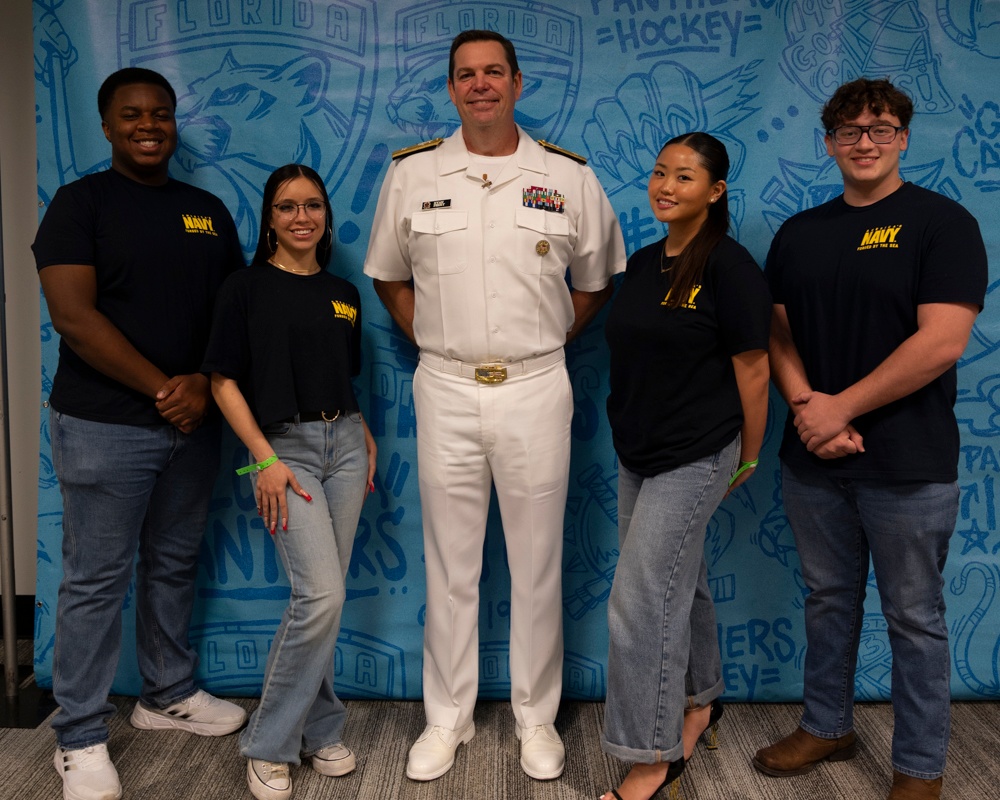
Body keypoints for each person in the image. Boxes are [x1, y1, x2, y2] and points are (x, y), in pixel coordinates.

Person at [363, 29, 625, 782]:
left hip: (538, 385)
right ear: (451, 89)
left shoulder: (567, 177)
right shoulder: (413, 175)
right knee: (450, 564)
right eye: (465, 75)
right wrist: (435, 342)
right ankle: (447, 719)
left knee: (538, 562)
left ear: (517, 81)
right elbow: (388, 274)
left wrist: (545, 341)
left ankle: (536, 720)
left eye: (493, 73)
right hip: (443, 385)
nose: (480, 85)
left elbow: (598, 280)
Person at [752, 78, 988, 800]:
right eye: (849, 130)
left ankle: (920, 768)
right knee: (828, 598)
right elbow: (777, 330)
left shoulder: (941, 224)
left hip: (909, 462)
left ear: (904, 137)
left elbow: (942, 342)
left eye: (880, 128)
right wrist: (804, 406)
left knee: (915, 620)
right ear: (828, 142)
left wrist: (839, 408)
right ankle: (828, 725)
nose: (864, 141)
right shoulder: (800, 232)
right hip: (813, 460)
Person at [32, 67, 247, 800]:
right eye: (131, 114)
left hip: (194, 423)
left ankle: (167, 695)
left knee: (173, 562)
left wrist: (201, 385)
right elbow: (74, 318)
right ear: (107, 125)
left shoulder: (206, 211)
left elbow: (232, 311)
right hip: (105, 425)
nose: (148, 124)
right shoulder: (78, 204)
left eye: (159, 112)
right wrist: (164, 387)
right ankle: (81, 735)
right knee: (95, 580)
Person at [600, 133, 771, 800]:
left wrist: (749, 453)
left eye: (686, 177)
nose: (667, 185)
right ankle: (701, 700)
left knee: (641, 600)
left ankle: (651, 755)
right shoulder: (642, 264)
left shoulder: (732, 268)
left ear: (715, 191)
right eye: (660, 173)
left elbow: (754, 373)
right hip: (637, 450)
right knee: (681, 579)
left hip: (699, 451)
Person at [202, 164, 377, 800]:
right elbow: (222, 381)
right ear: (269, 219)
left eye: (312, 206)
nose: (300, 217)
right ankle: (268, 744)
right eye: (286, 207)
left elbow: (340, 378)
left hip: (347, 447)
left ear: (325, 216)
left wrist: (365, 436)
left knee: (325, 601)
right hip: (282, 451)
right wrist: (261, 460)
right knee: (320, 596)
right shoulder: (243, 289)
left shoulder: (344, 293)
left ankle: (317, 728)